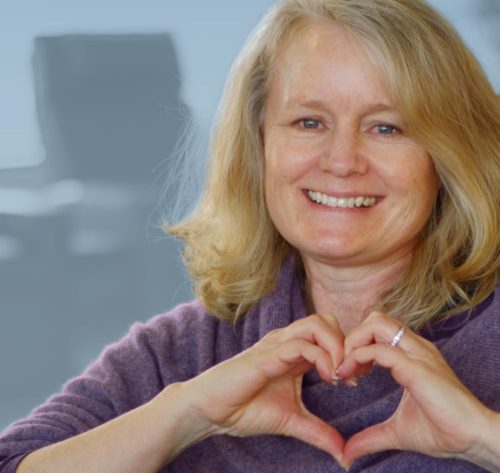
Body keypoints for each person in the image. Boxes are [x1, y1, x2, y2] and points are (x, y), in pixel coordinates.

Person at [1, 0, 499, 471]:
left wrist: (482, 435)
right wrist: (187, 413)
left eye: (386, 128)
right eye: (309, 122)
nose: (342, 161)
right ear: (258, 145)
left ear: (449, 154)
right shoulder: (186, 350)